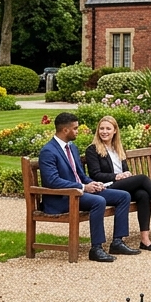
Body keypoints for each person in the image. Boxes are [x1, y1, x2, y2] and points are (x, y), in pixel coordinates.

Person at [37, 111, 136, 262]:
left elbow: (80, 174)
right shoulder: (48, 151)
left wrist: (91, 183)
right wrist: (83, 187)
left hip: (79, 193)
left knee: (123, 196)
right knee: (98, 201)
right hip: (62, 197)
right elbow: (52, 181)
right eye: (75, 128)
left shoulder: (72, 148)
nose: (78, 131)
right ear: (65, 130)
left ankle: (117, 242)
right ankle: (96, 249)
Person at [84, 115, 151, 249]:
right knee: (142, 178)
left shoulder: (118, 148)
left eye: (108, 129)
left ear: (115, 131)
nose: (104, 132)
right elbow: (95, 174)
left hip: (120, 187)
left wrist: (126, 174)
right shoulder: (93, 149)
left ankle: (145, 240)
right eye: (101, 129)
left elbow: (124, 170)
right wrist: (117, 176)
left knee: (143, 194)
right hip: (106, 187)